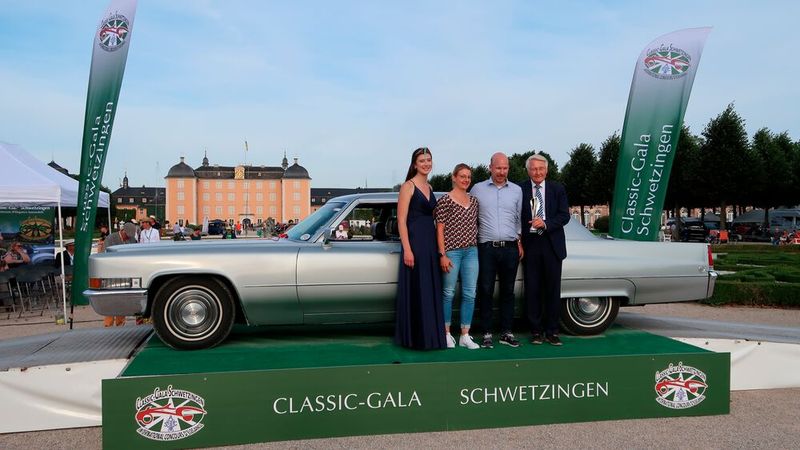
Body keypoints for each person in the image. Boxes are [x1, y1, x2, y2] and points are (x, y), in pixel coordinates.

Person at [469, 152, 523, 349]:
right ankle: (486, 333)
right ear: (490, 167)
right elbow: (470, 216)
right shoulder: (477, 189)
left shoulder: (517, 190)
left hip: (510, 248)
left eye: (505, 168)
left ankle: (507, 332)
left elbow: (518, 218)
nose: (501, 172)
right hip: (486, 248)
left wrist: (519, 240)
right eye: (498, 168)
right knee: (485, 290)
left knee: (508, 291)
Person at [395, 147, 446, 350]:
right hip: (414, 243)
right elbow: (401, 220)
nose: (426, 164)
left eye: (429, 160)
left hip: (430, 243)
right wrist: (407, 249)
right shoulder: (408, 186)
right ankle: (417, 338)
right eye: (422, 161)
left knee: (429, 288)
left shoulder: (430, 187)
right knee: (417, 288)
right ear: (415, 164)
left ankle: (431, 337)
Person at [520, 154, 570, 346]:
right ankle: (535, 331)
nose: (537, 172)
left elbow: (564, 216)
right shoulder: (520, 189)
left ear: (546, 170)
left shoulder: (558, 189)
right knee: (532, 290)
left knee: (552, 290)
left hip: (552, 245)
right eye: (534, 169)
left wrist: (546, 223)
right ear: (528, 170)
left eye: (541, 169)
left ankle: (552, 331)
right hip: (530, 245)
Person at [434, 163, 480, 349]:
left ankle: (465, 335)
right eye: (462, 176)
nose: (466, 180)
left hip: (471, 252)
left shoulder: (474, 201)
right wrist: (442, 254)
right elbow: (439, 229)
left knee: (470, 293)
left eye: (468, 177)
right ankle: (446, 333)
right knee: (448, 293)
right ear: (454, 177)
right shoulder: (445, 201)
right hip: (451, 252)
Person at [102, 222, 137, 327]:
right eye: (127, 235)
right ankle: (108, 324)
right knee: (110, 299)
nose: (128, 238)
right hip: (111, 274)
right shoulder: (110, 238)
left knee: (123, 300)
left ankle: (120, 323)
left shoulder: (132, 240)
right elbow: (106, 255)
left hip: (126, 274)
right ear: (122, 231)